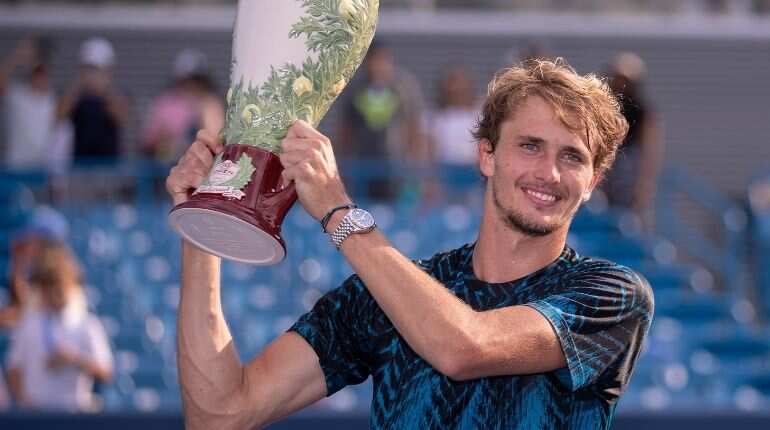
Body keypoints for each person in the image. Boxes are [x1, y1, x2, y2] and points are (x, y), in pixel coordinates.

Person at [166, 59, 653, 429]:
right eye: (530, 146)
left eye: (572, 157)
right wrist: (205, 222)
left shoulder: (613, 295)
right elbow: (220, 414)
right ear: (486, 155)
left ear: (593, 182)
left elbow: (464, 347)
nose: (549, 173)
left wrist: (339, 211)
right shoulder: (388, 295)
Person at [5, 239, 113, 412]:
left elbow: (105, 371)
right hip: (36, 415)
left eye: (59, 284)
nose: (55, 292)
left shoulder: (87, 323)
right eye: (49, 285)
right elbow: (13, 369)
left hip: (75, 414)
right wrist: (26, 403)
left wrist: (74, 359)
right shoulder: (29, 323)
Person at [338, 39, 428, 202]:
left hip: (396, 163)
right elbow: (346, 130)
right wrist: (343, 167)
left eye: (382, 59)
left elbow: (414, 126)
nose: (378, 65)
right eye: (374, 59)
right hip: (363, 164)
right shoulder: (355, 88)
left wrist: (416, 165)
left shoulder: (403, 86)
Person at [602, 52, 663, 225]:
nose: (621, 84)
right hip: (608, 154)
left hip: (628, 160)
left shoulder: (641, 110)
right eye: (618, 78)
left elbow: (648, 145)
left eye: (625, 80)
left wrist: (644, 183)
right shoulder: (605, 104)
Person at [141, 49, 225, 164]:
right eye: (188, 80)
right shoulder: (164, 104)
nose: (193, 85)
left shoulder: (211, 105)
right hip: (164, 167)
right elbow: (148, 142)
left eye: (197, 80)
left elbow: (217, 140)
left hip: (202, 166)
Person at [56, 37, 129, 165]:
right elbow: (59, 117)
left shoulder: (116, 95)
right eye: (89, 69)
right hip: (80, 165)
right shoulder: (76, 95)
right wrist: (80, 84)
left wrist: (104, 89)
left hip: (109, 165)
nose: (93, 75)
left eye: (97, 70)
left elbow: (121, 119)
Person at [0, 36, 57, 170]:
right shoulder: (17, 95)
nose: (41, 77)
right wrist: (18, 56)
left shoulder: (51, 99)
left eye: (43, 72)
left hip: (41, 169)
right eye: (37, 73)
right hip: (16, 167)